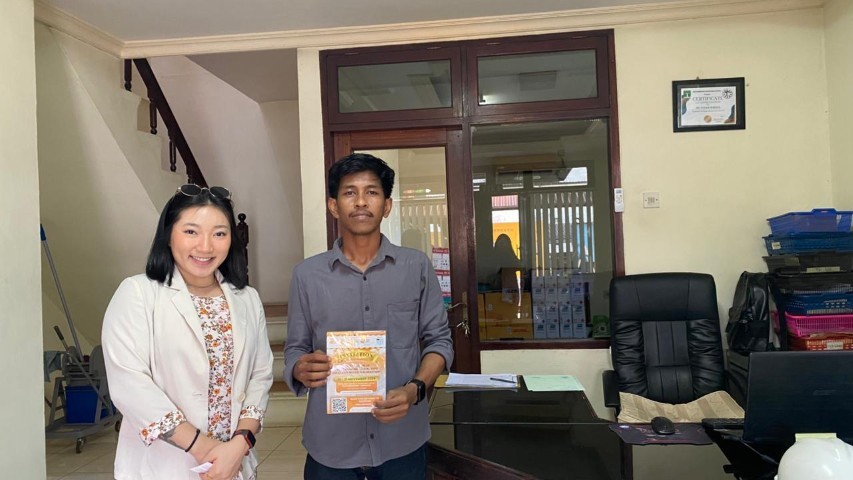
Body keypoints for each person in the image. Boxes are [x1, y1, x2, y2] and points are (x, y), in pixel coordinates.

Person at [284, 153, 454, 480]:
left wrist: (415, 389)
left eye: (372, 192)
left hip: (402, 440)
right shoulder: (306, 275)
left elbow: (440, 342)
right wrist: (299, 368)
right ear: (333, 205)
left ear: (387, 205)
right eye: (350, 192)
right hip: (330, 443)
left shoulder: (416, 267)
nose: (361, 201)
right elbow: (295, 349)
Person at [102, 184, 274, 480]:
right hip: (164, 466)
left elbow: (260, 376)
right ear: (168, 235)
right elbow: (130, 385)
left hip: (234, 463)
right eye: (191, 231)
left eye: (219, 233)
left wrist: (239, 445)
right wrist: (205, 449)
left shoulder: (247, 299)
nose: (205, 247)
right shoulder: (138, 293)